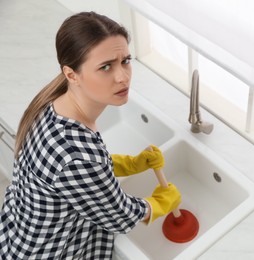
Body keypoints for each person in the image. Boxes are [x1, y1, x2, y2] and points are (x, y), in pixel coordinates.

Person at [0, 12, 181, 259]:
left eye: (126, 60)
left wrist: (130, 164)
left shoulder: (53, 105)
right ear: (72, 74)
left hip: (19, 232)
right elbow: (121, 216)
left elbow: (75, 174)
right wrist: (161, 203)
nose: (122, 76)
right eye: (105, 67)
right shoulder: (76, 156)